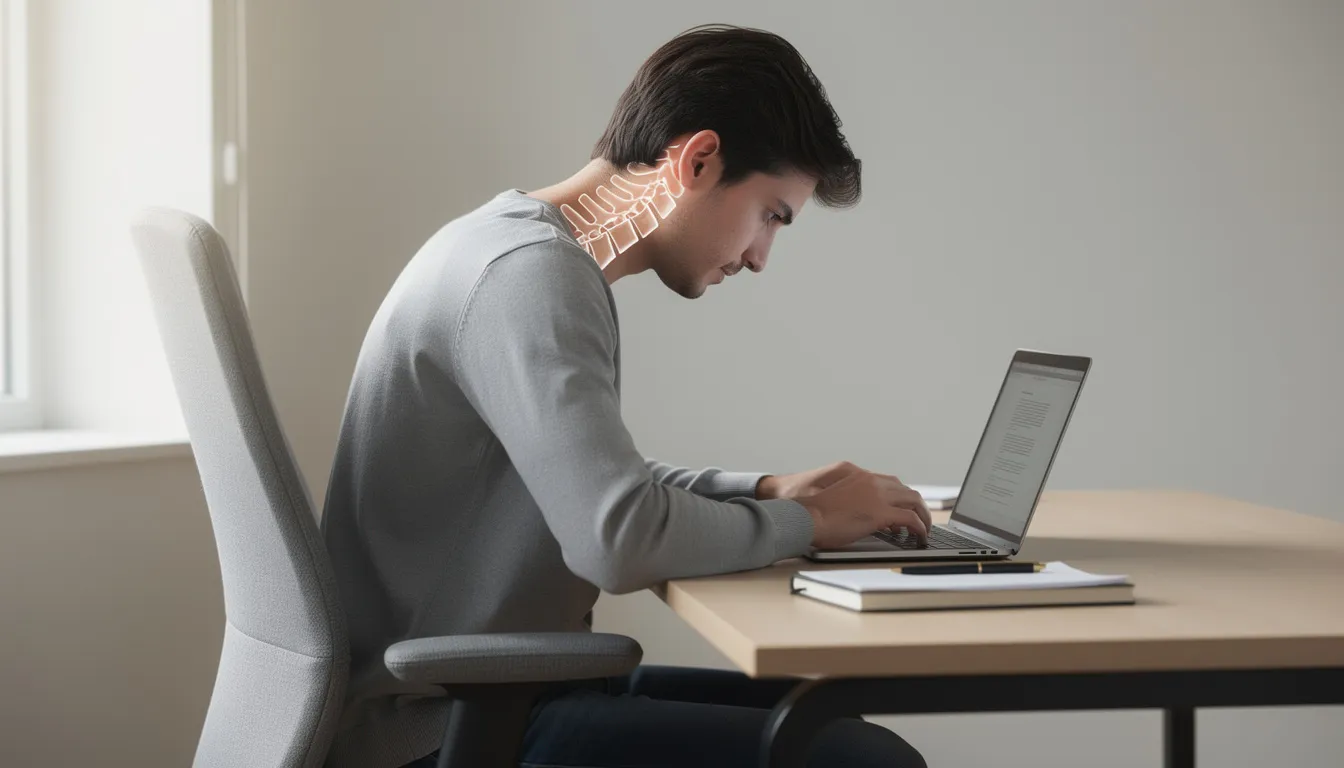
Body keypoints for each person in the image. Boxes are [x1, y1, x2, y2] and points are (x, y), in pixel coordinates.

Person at [321, 23, 931, 768]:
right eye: (772, 213)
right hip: (445, 726)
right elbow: (616, 538)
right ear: (699, 160)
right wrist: (803, 522)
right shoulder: (530, 275)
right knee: (862, 762)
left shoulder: (506, 246)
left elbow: (601, 490)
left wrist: (767, 490)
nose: (762, 256)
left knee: (839, 731)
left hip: (493, 691)